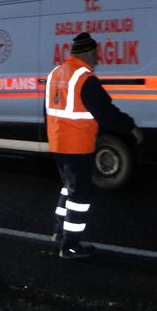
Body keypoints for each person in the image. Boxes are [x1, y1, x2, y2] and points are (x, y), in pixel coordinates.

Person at [45, 32, 143, 259]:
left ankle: (60, 231)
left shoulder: (55, 73)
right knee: (80, 197)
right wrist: (131, 128)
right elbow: (106, 113)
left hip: (59, 143)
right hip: (77, 145)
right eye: (96, 54)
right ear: (88, 53)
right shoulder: (84, 78)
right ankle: (70, 246)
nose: (97, 59)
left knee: (68, 187)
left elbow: (49, 111)